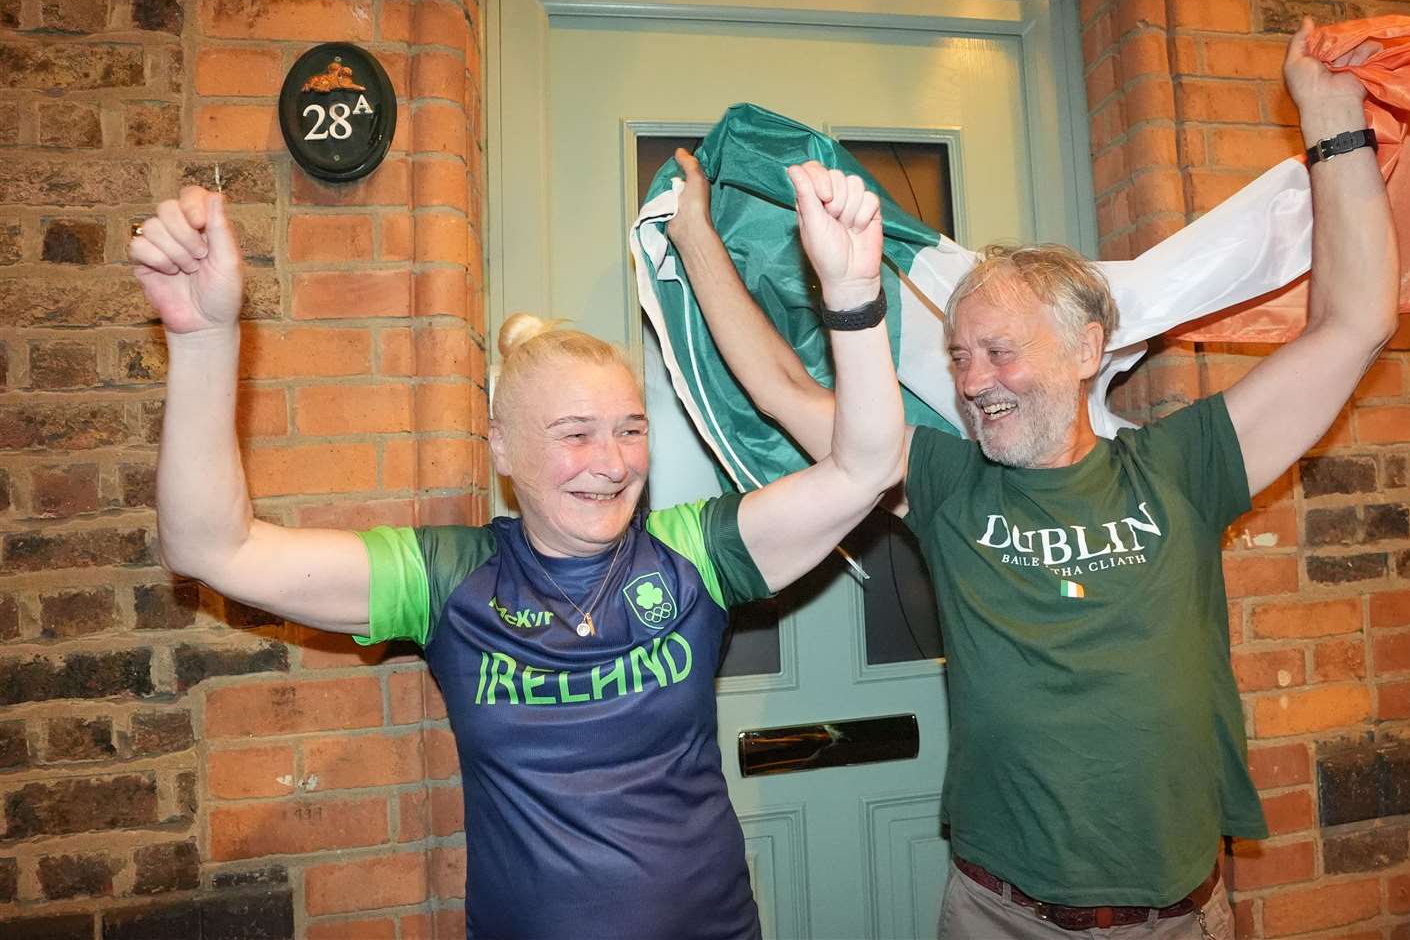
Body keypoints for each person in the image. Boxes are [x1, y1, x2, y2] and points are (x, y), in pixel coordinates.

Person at [666, 18, 1395, 938]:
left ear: (1087, 348)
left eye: (999, 351)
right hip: (995, 914)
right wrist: (695, 240)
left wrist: (1330, 116)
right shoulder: (941, 481)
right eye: (960, 356)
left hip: (1167, 920)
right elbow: (779, 389)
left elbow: (1353, 324)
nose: (972, 382)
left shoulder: (1181, 466)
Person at [129, 164, 902, 939]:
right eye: (574, 434)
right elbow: (209, 548)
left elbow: (866, 466)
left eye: (630, 429)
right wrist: (202, 339)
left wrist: (851, 293)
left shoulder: (693, 554)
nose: (612, 461)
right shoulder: (448, 578)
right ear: (502, 447)